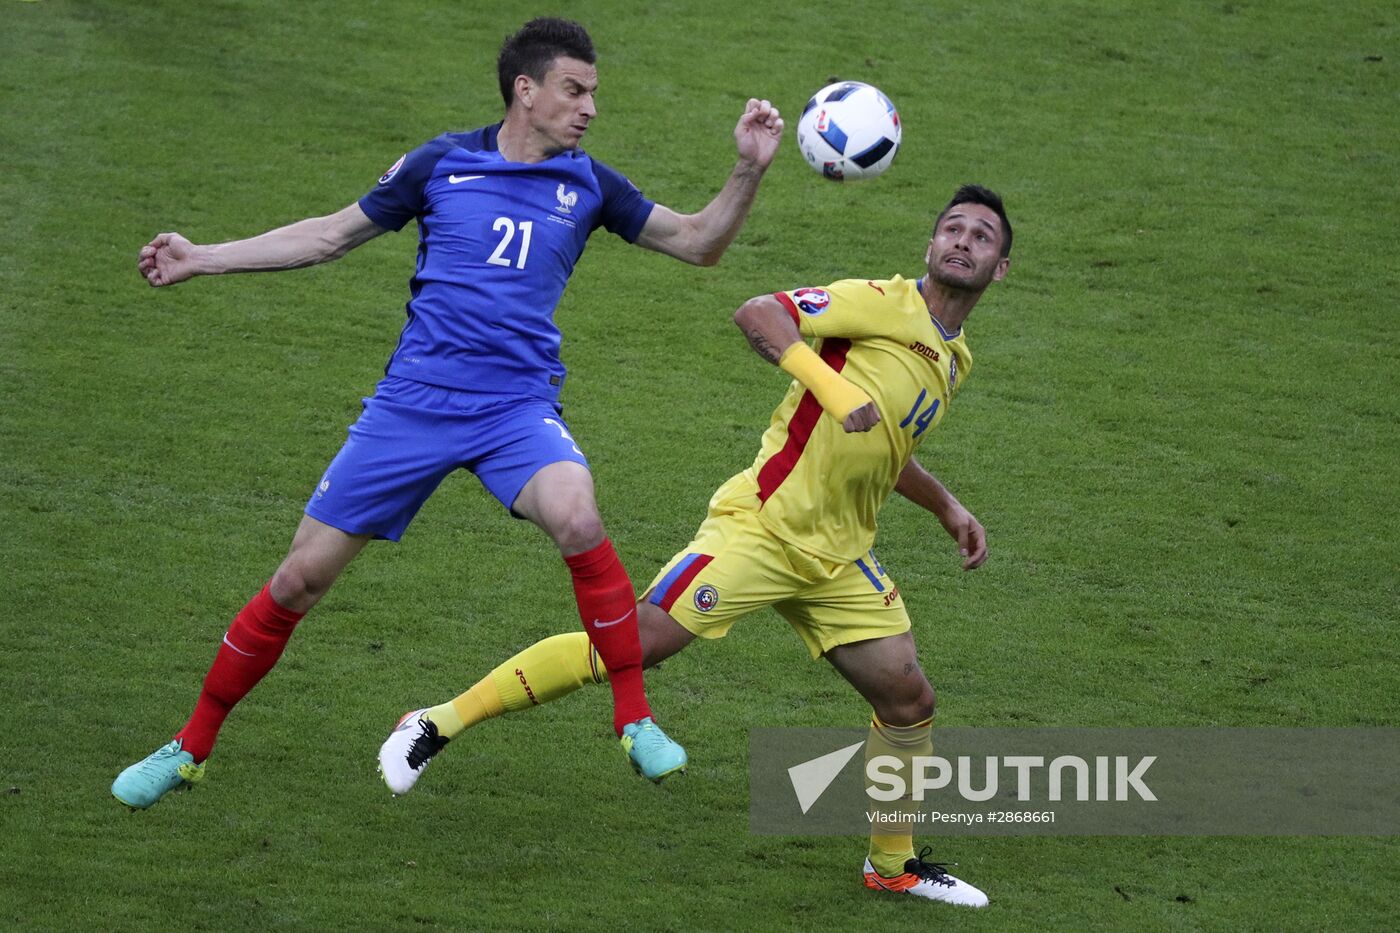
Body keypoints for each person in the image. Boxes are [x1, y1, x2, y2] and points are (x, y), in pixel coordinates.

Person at [112, 17, 784, 809]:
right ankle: (190, 745)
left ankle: (634, 718)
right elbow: (330, 235)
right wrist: (203, 257)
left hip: (514, 407)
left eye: (594, 93)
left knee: (576, 513)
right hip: (414, 406)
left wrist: (747, 168)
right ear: (524, 91)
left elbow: (700, 242)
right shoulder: (442, 164)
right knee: (299, 578)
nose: (590, 109)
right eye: (575, 90)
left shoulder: (590, 185)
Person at [380, 185, 1013, 908]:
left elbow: (886, 445)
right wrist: (829, 388)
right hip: (763, 527)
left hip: (839, 556)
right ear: (929, 247)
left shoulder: (955, 358)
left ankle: (891, 865)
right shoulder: (880, 303)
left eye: (982, 236)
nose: (963, 240)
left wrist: (946, 506)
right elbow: (759, 314)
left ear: (1000, 269)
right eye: (951, 227)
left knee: (907, 697)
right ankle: (434, 721)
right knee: (637, 641)